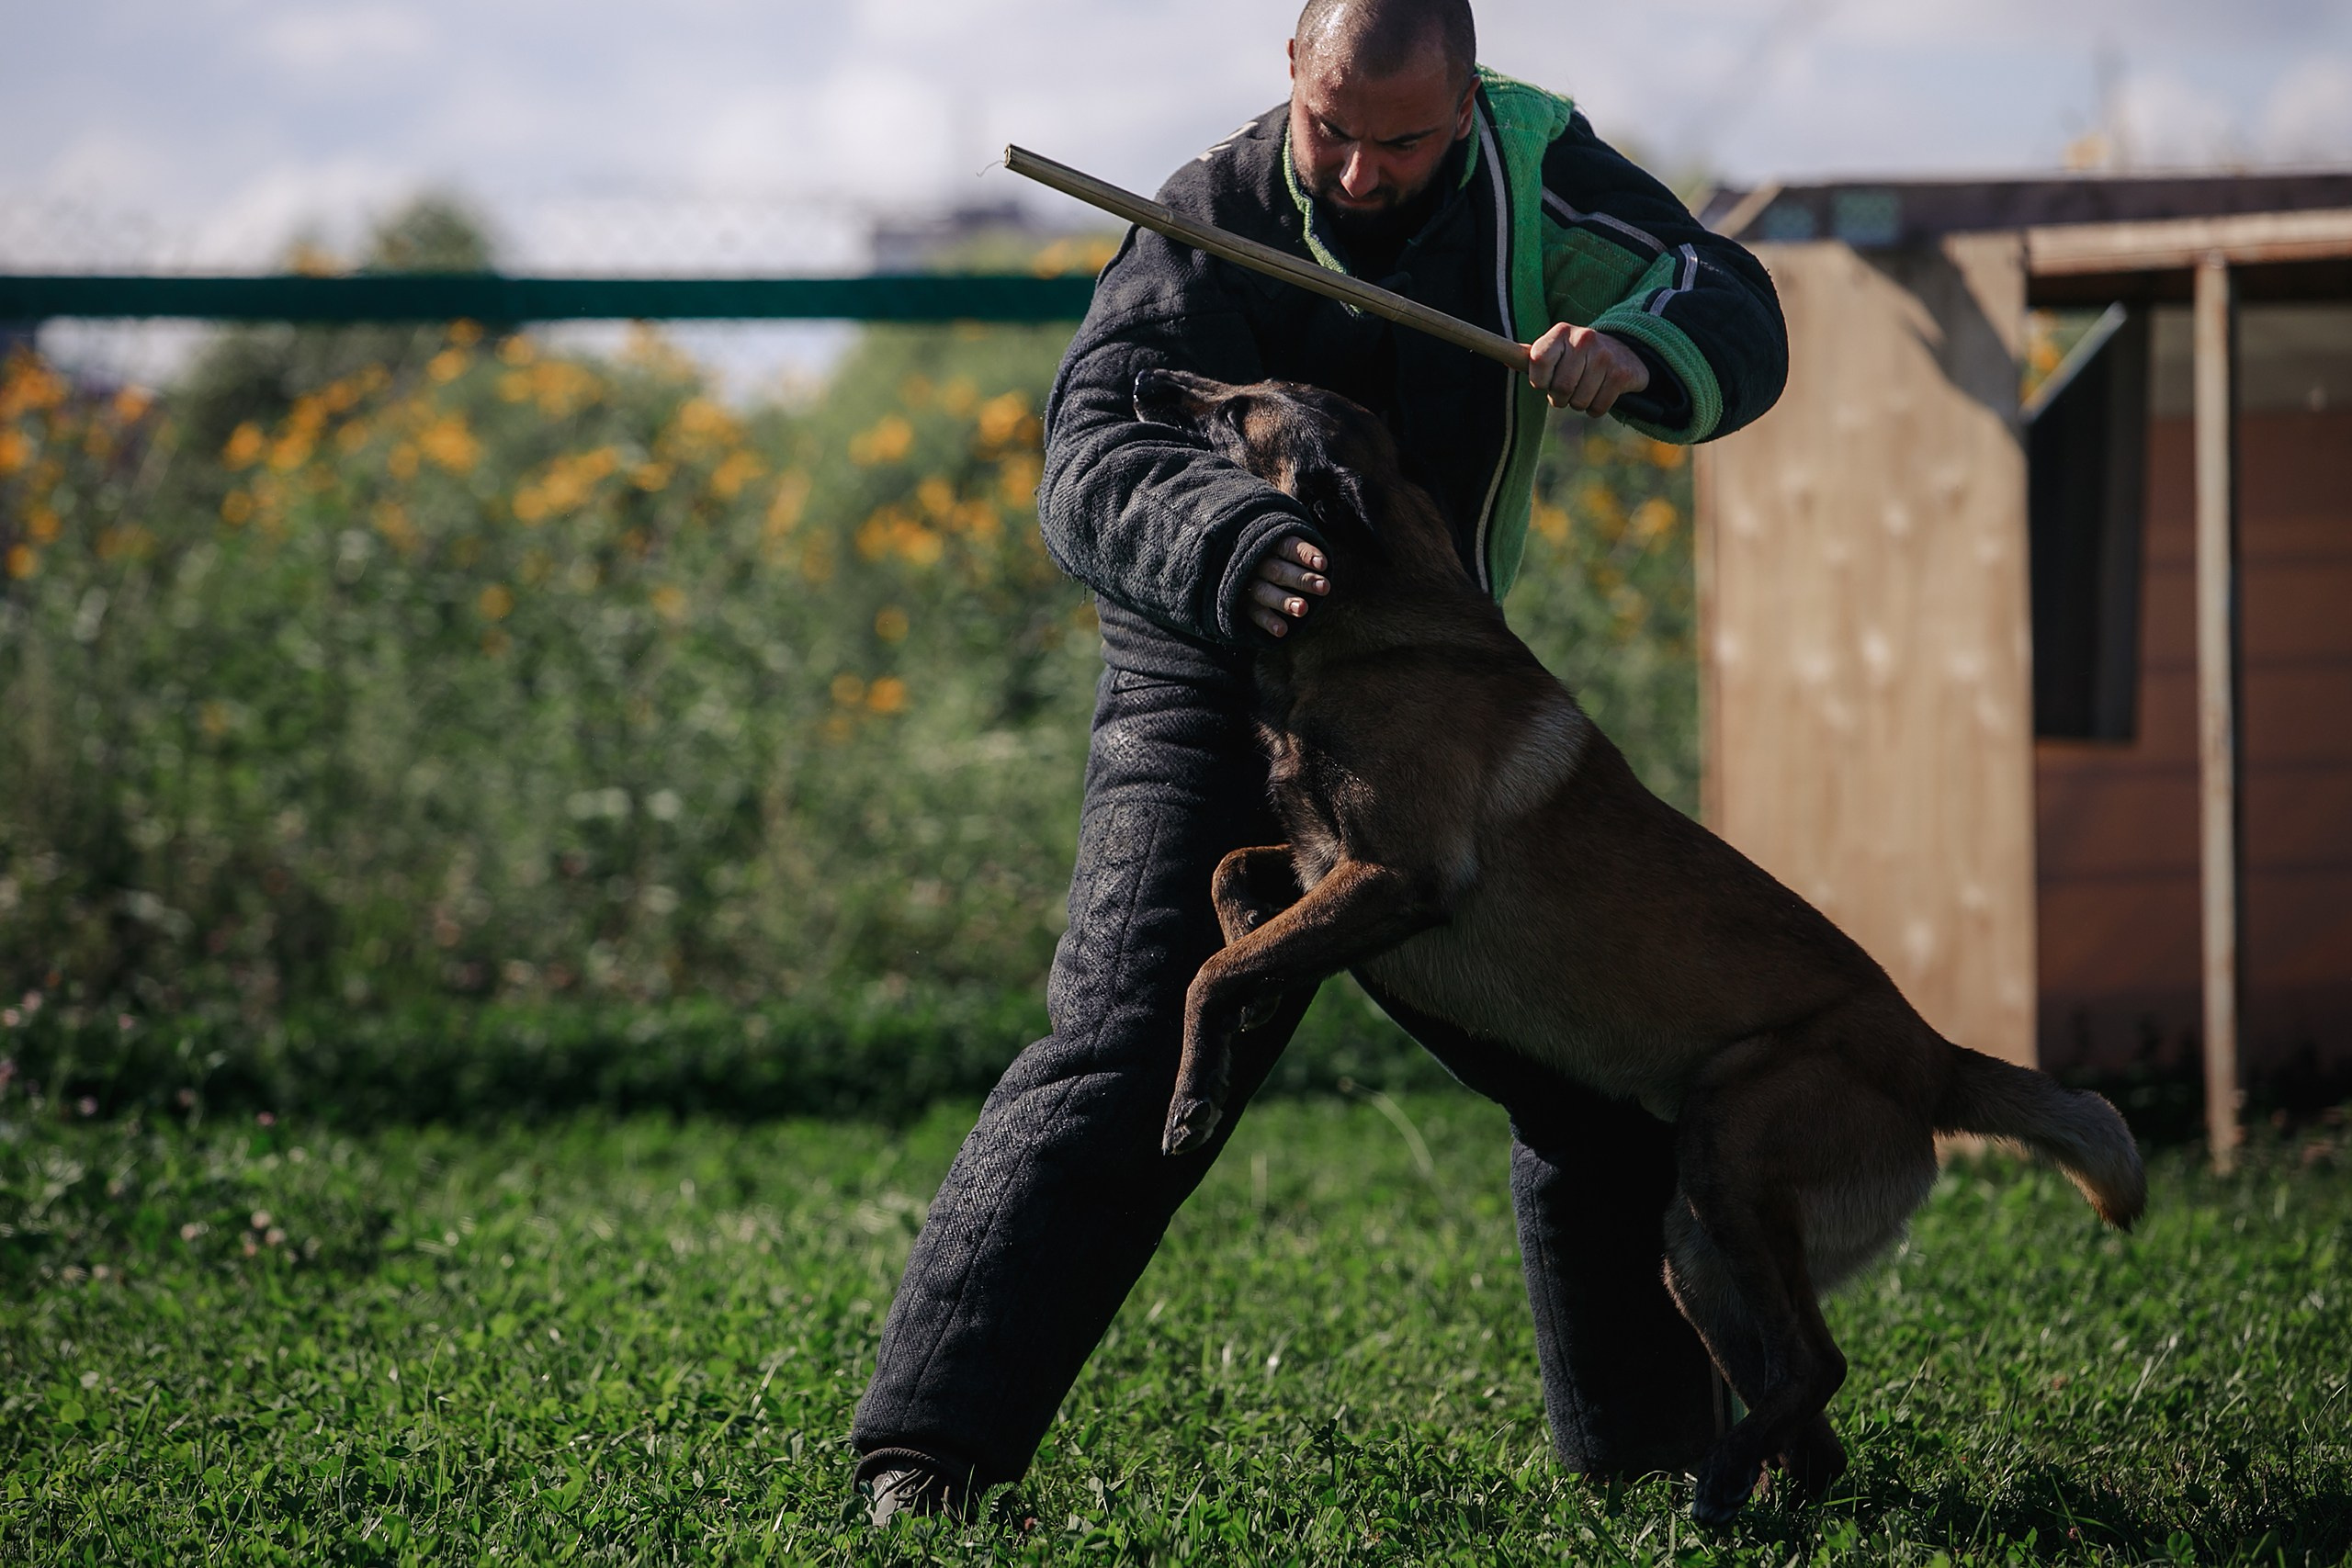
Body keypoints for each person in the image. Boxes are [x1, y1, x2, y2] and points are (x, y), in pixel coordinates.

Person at [853, 0, 1788, 1521]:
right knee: (1127, 1042)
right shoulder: (1204, 217)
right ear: (1290, 75)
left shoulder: (1540, 177)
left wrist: (1636, 346)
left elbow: (1730, 300)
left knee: (1607, 1070)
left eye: (1403, 140)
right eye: (1331, 131)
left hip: (1431, 698)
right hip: (1211, 684)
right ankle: (928, 1458)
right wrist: (1236, 540)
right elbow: (1090, 456)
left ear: (1469, 102)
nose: (1357, 175)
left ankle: (1646, 1463)